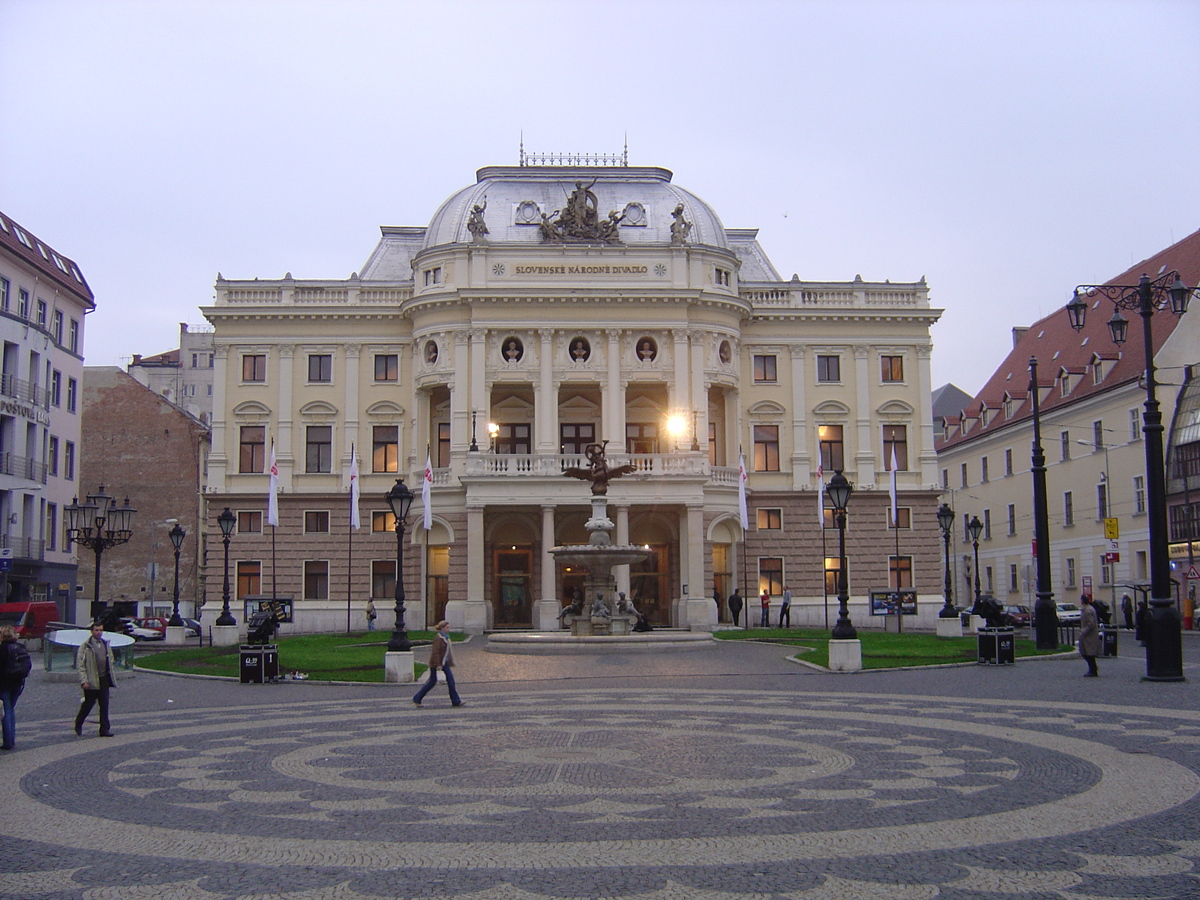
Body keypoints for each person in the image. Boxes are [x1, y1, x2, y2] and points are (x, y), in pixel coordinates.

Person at [75, 622, 117, 737]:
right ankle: (79, 723)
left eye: (101, 630)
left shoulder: (105, 644)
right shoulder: (86, 646)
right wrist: (84, 680)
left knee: (104, 705)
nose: (99, 633)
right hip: (91, 679)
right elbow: (80, 665)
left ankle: (104, 729)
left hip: (103, 679)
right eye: (97, 630)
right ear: (92, 631)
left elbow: (110, 660)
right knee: (88, 704)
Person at [412, 620, 463, 708]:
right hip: (436, 663)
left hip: (444, 662)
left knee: (450, 680)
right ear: (442, 628)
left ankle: (456, 701)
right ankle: (417, 698)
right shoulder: (438, 638)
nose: (449, 629)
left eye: (449, 627)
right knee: (432, 682)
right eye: (447, 627)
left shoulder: (445, 638)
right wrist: (438, 664)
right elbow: (436, 652)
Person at [0, 625, 31, 750]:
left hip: (4, 684)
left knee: (5, 711)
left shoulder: (2, 649)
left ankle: (7, 742)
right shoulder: (20, 647)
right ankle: (11, 739)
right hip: (18, 683)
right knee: (11, 710)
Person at [1078, 594, 1101, 677]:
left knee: (1087, 653)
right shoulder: (1088, 609)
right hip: (1089, 635)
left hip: (1089, 636)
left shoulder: (1087, 610)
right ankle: (1093, 669)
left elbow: (1090, 624)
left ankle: (1093, 670)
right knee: (1088, 653)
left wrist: (1083, 632)